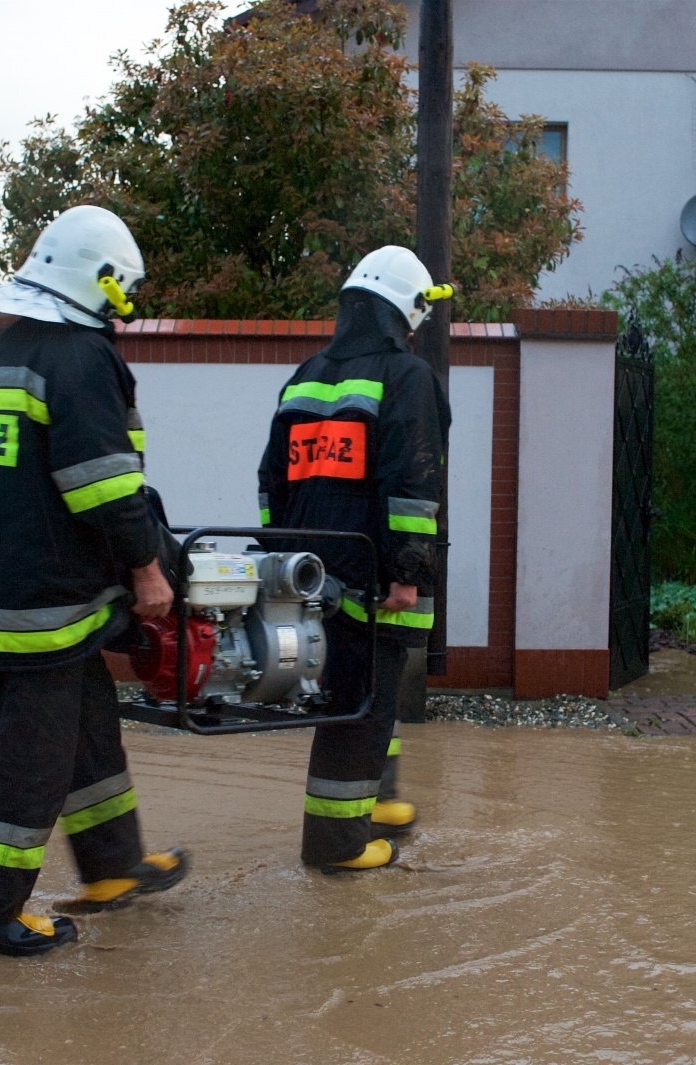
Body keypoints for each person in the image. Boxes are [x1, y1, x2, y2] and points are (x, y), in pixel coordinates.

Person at [0, 205, 189, 957]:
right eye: (128, 291)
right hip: (49, 600)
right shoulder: (81, 359)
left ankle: (113, 867)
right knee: (30, 757)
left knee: (85, 725)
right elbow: (106, 488)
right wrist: (149, 569)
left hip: (7, 588)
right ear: (104, 283)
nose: (131, 306)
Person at [256, 246, 452, 872]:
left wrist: (283, 560)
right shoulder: (408, 377)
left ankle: (380, 803)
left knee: (366, 696)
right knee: (361, 707)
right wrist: (407, 573)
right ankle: (338, 846)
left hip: (309, 578)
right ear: (406, 311)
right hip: (371, 580)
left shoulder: (305, 376)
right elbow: (412, 486)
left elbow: (269, 485)